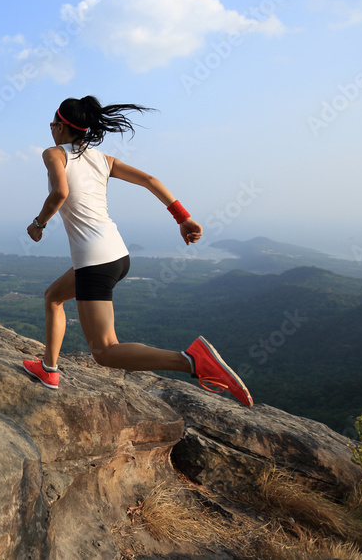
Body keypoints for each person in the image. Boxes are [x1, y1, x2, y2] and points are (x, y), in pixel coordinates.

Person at [22, 96, 253, 407]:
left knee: (104, 351)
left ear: (62, 126)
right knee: (54, 296)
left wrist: (38, 224)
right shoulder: (103, 160)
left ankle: (192, 361)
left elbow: (60, 192)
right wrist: (183, 218)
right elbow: (150, 180)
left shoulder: (54, 154)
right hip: (116, 254)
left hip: (94, 262)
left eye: (52, 123)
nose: (50, 129)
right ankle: (49, 369)